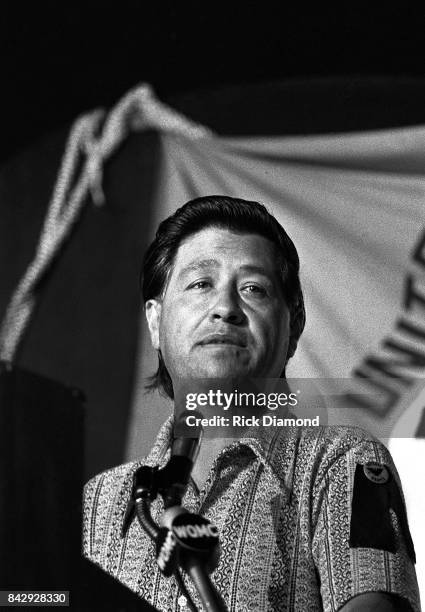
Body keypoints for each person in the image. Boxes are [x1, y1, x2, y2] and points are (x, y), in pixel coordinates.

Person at [83, 196, 420, 611]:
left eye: (253, 289)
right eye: (200, 284)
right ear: (155, 321)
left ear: (293, 326)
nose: (225, 309)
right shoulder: (101, 501)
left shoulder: (341, 463)